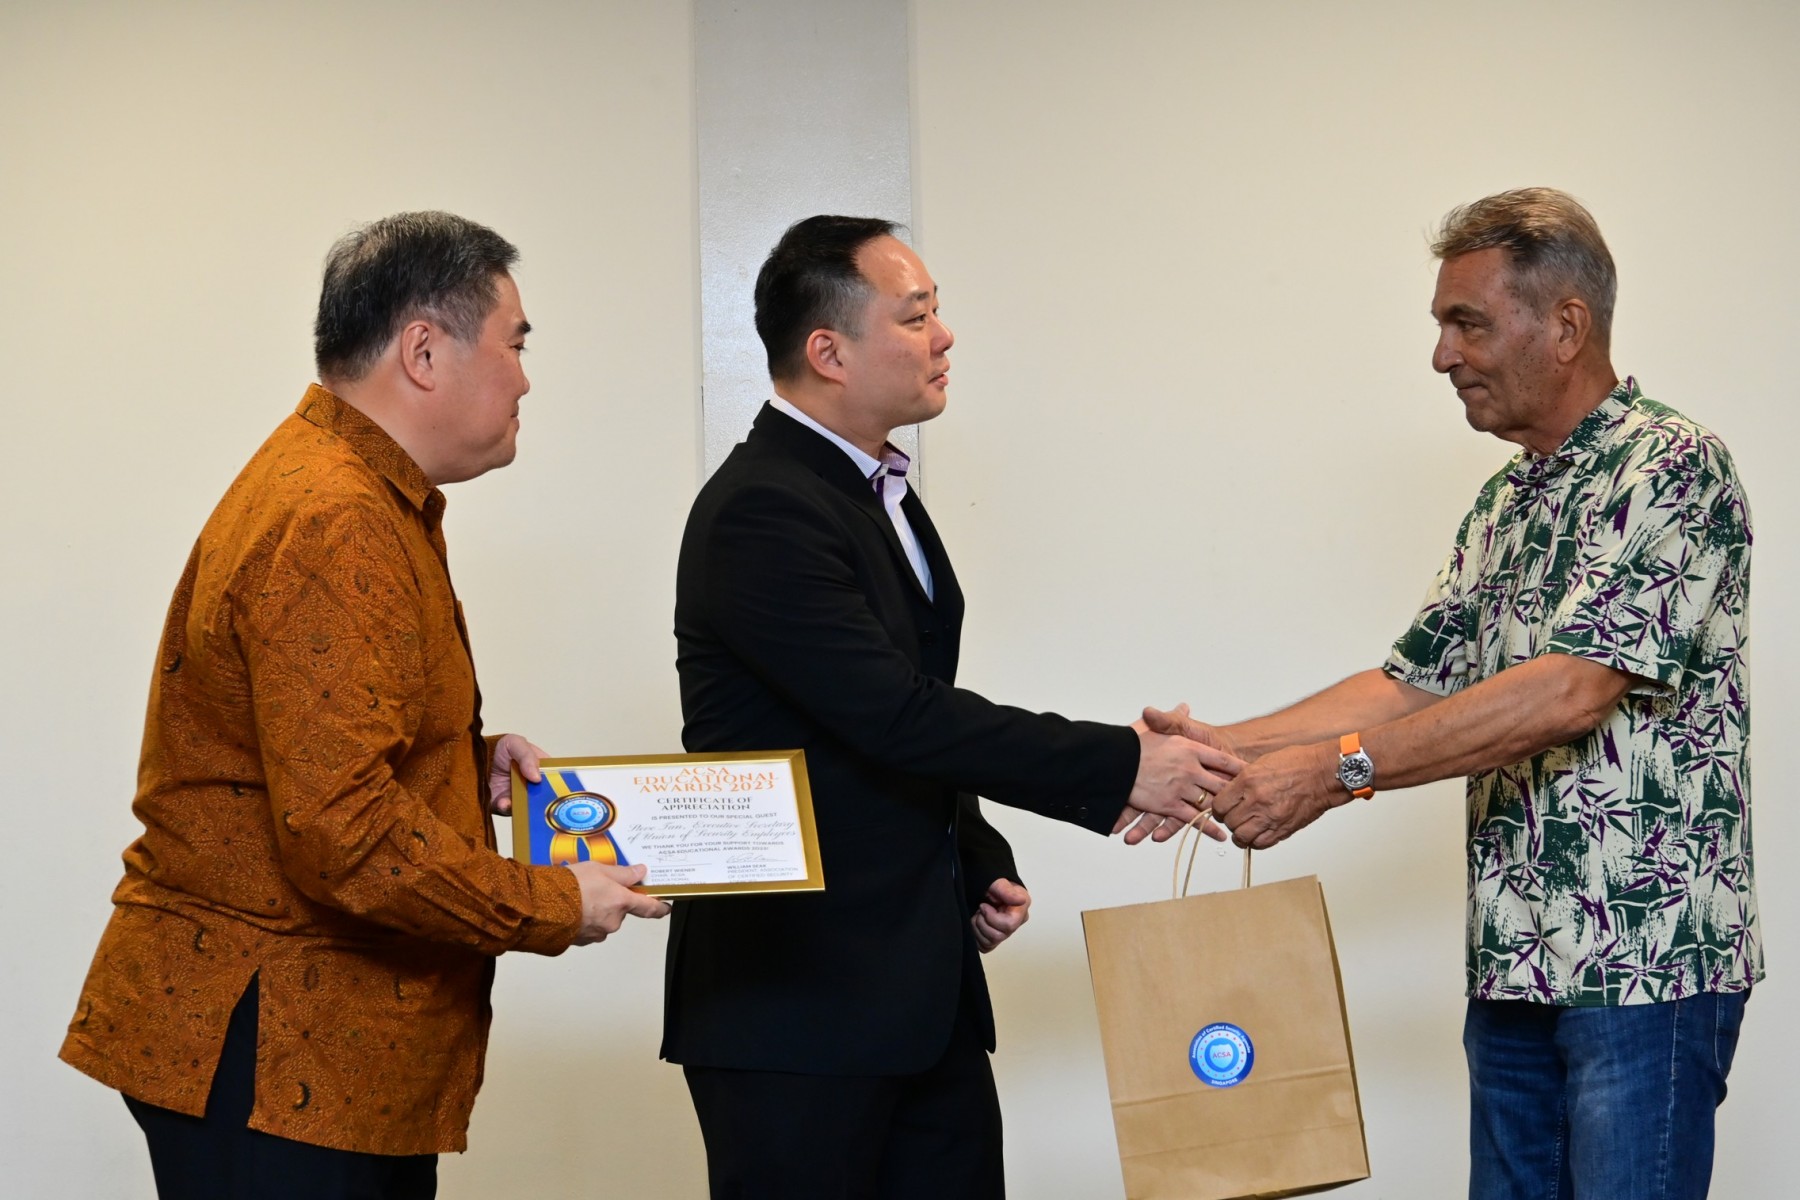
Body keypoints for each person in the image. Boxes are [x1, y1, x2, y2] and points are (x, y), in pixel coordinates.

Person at [1149, 188, 1758, 1199]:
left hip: (1644, 969)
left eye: (1466, 322)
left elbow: (1569, 692)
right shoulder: (1507, 500)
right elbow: (1408, 684)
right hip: (1515, 965)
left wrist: (1334, 774)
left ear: (1566, 326)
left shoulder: (1672, 468)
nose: (1442, 355)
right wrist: (1220, 748)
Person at [59, 211, 671, 1200]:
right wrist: (557, 901)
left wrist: (456, 760)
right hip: (278, 1054)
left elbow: (310, 740)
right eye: (514, 344)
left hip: (309, 1054)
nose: (525, 379)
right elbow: (342, 831)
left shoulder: (351, 486)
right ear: (423, 352)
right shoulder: (335, 515)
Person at [665, 214, 1238, 1199]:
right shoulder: (763, 507)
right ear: (829, 352)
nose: (945, 336)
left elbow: (881, 715)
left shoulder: (875, 489)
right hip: (797, 1007)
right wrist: (1120, 765)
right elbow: (894, 712)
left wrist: (972, 855)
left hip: (918, 993)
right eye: (916, 316)